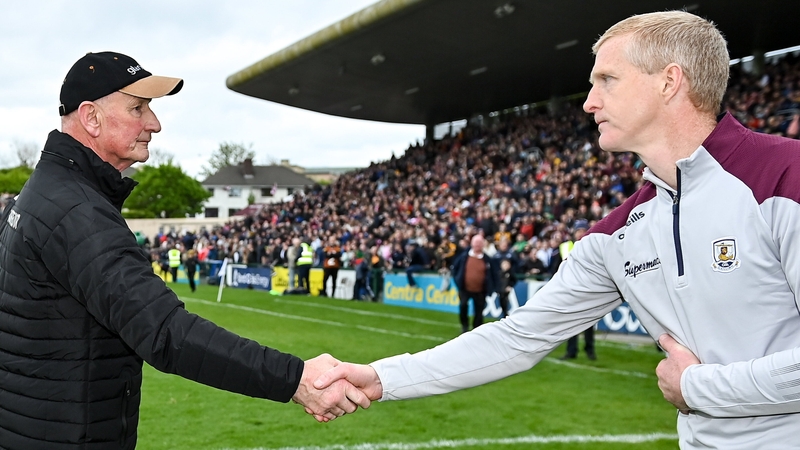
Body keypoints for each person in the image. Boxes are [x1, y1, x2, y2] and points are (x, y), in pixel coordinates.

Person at [314, 12, 800, 448]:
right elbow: (515, 339)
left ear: (669, 81)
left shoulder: (786, 177)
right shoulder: (615, 235)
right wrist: (380, 377)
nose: (589, 102)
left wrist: (697, 388)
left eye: (607, 80)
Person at [0, 51, 366, 449]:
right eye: (138, 108)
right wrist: (295, 379)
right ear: (91, 117)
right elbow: (166, 332)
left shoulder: (38, 194)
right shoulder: (77, 211)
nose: (154, 124)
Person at [558, 220, 596, 360]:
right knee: (571, 323)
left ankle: (590, 350)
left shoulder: (591, 246)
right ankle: (571, 350)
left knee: (589, 322)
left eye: (582, 230)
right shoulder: (566, 247)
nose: (580, 233)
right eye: (578, 230)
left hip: (588, 288)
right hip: (571, 289)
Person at [450, 234, 499, 333]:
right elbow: (455, 269)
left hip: (480, 290)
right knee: (463, 306)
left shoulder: (487, 259)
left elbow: (494, 274)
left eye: (479, 244)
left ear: (482, 245)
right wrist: (458, 281)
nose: (477, 246)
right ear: (472, 244)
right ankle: (465, 325)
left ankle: (477, 329)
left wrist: (491, 288)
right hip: (465, 288)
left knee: (479, 311)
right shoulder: (464, 256)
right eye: (476, 243)